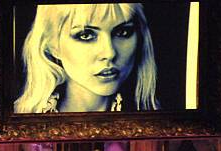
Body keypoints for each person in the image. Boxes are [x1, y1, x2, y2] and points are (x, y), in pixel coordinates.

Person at [15, 3, 159, 113]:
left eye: (123, 32)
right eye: (86, 35)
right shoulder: (16, 119)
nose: (109, 53)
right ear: (53, 46)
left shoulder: (158, 121)